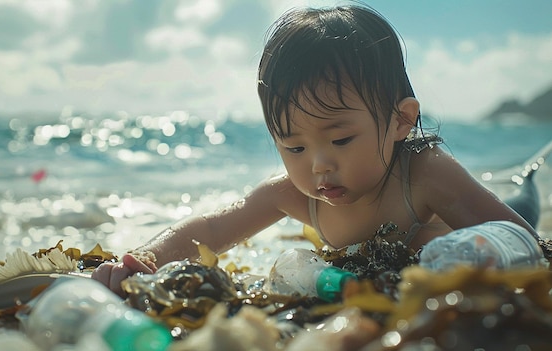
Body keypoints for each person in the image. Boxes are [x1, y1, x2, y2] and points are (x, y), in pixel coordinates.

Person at [92, 4, 537, 294]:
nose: (319, 164)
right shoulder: (293, 193)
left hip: (469, 230)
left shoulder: (423, 174)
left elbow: (522, 240)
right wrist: (142, 260)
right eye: (293, 146)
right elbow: (210, 229)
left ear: (401, 121)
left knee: (524, 202)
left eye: (341, 139)